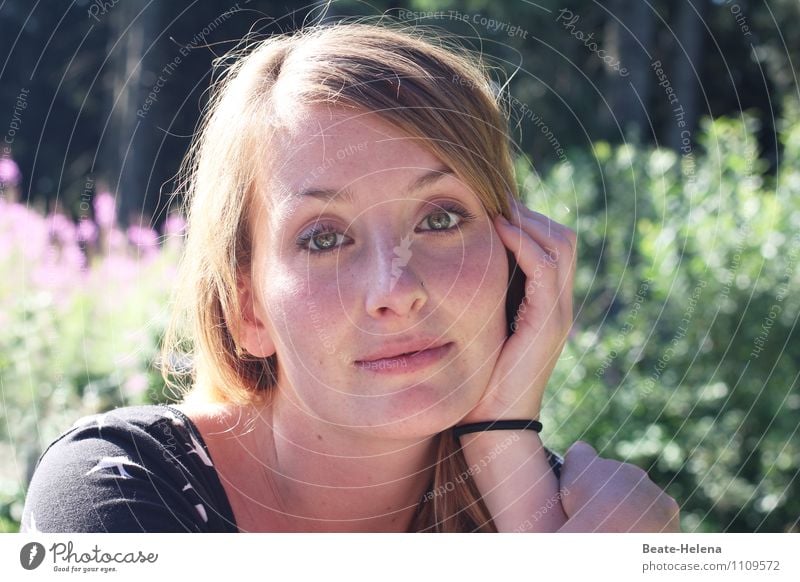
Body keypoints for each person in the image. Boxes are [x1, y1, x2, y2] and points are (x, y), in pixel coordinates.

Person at [21, 21, 680, 533]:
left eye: (440, 219)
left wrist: (508, 448)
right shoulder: (120, 491)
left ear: (519, 255)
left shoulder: (562, 514)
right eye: (324, 238)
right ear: (247, 308)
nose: (396, 289)